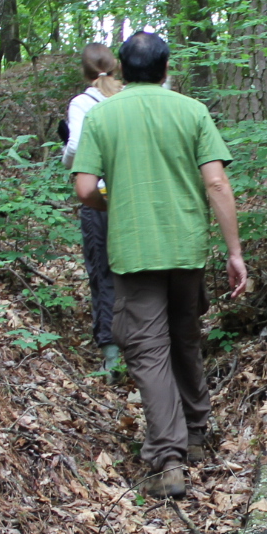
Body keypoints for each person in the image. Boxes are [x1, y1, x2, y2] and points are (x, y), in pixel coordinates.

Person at [71, 31, 249, 499]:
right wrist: (234, 252)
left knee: (148, 349)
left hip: (133, 249)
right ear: (167, 69)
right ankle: (195, 433)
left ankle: (169, 457)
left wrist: (116, 203)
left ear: (122, 69)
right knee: (184, 335)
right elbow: (217, 184)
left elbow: (85, 189)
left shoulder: (102, 115)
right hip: (185, 245)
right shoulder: (192, 111)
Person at [62, 44, 125, 377]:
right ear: (115, 67)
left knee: (103, 272)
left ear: (84, 72)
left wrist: (68, 159)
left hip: (99, 195)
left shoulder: (82, 103)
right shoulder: (127, 98)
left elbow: (75, 145)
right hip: (133, 195)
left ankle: (112, 358)